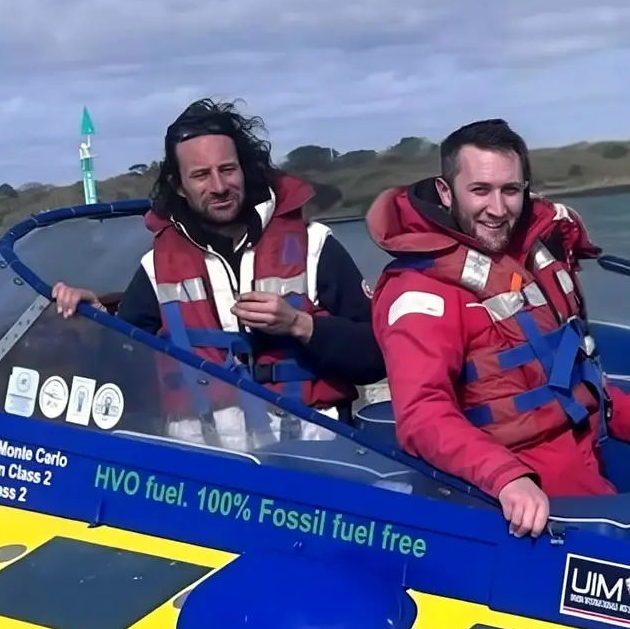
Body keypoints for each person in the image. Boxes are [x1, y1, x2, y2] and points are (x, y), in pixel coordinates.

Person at [366, 118, 630, 537]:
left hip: (592, 486)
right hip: (522, 515)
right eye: (480, 190)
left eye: (510, 190)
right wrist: (506, 477)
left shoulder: (525, 266)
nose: (497, 209)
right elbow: (422, 418)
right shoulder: (420, 292)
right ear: (446, 192)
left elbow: (568, 389)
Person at [52, 98, 385, 446]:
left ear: (245, 169)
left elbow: (375, 360)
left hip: (313, 463)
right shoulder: (155, 269)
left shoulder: (315, 246)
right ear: (179, 186)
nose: (219, 186)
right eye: (200, 175)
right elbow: (121, 378)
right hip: (205, 475)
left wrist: (300, 325)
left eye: (227, 169)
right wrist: (98, 320)